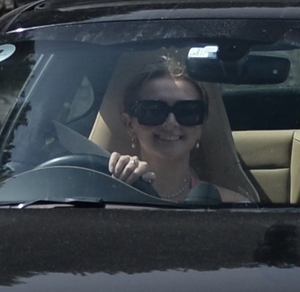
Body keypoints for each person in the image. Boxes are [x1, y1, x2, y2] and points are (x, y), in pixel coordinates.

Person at [100, 56, 257, 203]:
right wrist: (116, 188)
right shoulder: (105, 198)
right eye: (154, 111)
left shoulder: (231, 205)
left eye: (187, 112)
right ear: (129, 124)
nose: (171, 122)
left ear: (201, 124)